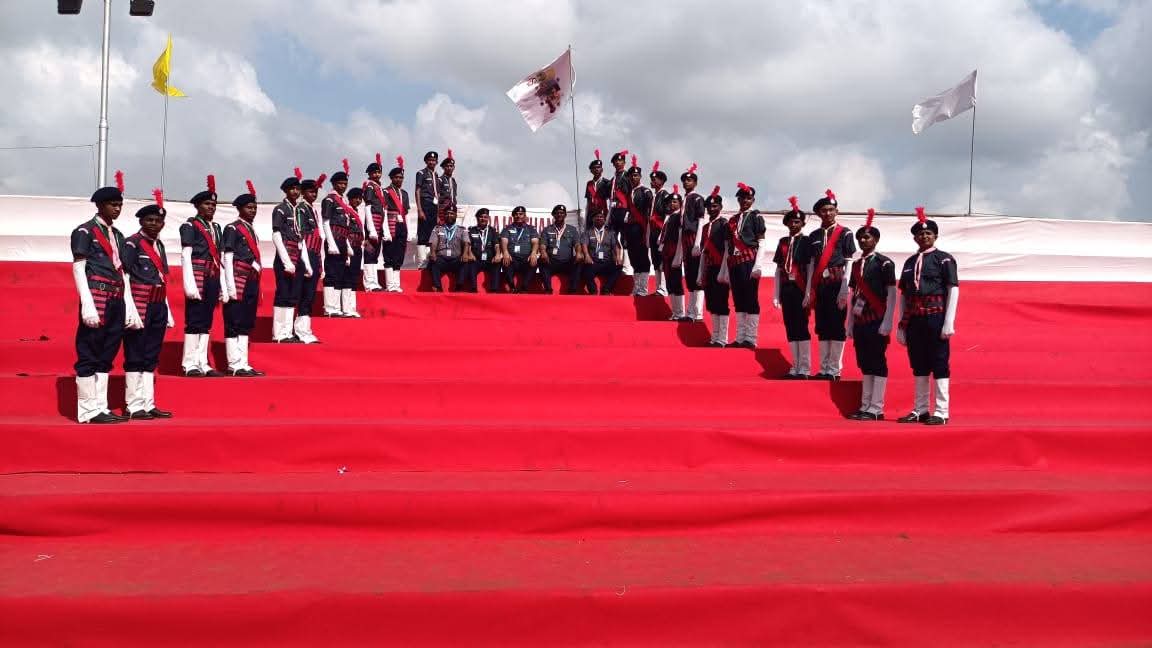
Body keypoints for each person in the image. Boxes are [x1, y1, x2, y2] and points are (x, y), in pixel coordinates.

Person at [71, 172, 134, 423]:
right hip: (96, 296)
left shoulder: (118, 235)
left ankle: (100, 406)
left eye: (119, 204)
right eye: (112, 204)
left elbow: (123, 272)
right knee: (89, 350)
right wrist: (86, 303)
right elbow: (78, 267)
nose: (117, 208)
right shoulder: (85, 231)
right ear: (100, 205)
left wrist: (129, 305)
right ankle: (87, 410)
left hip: (117, 297)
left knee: (108, 353)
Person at [897, 207, 959, 426]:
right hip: (914, 318)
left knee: (939, 363)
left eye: (928, 233)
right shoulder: (909, 263)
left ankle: (942, 411)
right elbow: (904, 294)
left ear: (935, 236)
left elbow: (953, 289)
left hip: (936, 316)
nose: (924, 236)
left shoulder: (944, 260)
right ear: (915, 237)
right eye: (920, 234)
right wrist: (901, 325)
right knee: (919, 364)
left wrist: (949, 322)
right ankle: (921, 409)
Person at [121, 189, 175, 418]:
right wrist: (129, 308)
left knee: (152, 354)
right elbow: (124, 275)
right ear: (141, 221)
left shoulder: (159, 245)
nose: (155, 224)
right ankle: (133, 405)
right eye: (150, 220)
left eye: (158, 220)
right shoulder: (132, 243)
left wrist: (168, 310)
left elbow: (161, 278)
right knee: (135, 352)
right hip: (139, 303)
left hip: (158, 304)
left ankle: (148, 403)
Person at [846, 209, 897, 420]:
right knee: (864, 362)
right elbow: (852, 294)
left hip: (877, 318)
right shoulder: (857, 265)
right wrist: (849, 322)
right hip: (860, 319)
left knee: (877, 361)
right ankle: (865, 405)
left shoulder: (885, 263)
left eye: (867, 237)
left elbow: (892, 293)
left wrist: (887, 322)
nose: (863, 241)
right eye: (860, 238)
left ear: (875, 239)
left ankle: (877, 407)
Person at [804, 189, 856, 380]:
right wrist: (809, 290)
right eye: (823, 210)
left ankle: (835, 369)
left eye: (830, 210)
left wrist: (845, 288)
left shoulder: (845, 233)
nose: (827, 213)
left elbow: (849, 260)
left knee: (836, 326)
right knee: (822, 326)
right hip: (820, 285)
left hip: (837, 282)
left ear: (836, 211)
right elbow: (811, 264)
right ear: (818, 213)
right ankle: (824, 368)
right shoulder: (814, 235)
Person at [180, 175, 225, 375]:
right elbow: (186, 255)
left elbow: (220, 258)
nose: (211, 207)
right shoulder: (190, 226)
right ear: (198, 206)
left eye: (214, 204)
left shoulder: (216, 227)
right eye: (207, 204)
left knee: (207, 320)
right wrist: (189, 284)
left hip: (212, 276)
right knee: (194, 319)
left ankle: (202, 362)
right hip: (197, 275)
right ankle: (189, 363)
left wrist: (223, 285)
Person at [220, 183, 266, 377]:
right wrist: (229, 286)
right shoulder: (233, 228)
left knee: (246, 320)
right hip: (238, 278)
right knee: (234, 320)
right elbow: (227, 257)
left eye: (254, 208)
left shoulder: (251, 229)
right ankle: (233, 363)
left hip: (251, 279)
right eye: (249, 208)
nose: (252, 211)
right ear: (239, 209)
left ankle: (243, 362)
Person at [725, 183, 769, 349]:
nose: (745, 201)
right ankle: (740, 337)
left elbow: (762, 242)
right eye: (742, 198)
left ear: (753, 200)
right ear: (738, 199)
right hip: (735, 262)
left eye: (748, 198)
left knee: (750, 298)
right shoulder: (733, 220)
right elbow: (729, 245)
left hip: (749, 261)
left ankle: (751, 338)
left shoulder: (756, 217)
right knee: (738, 299)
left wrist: (758, 265)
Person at [773, 197, 813, 379]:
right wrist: (776, 294)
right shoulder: (782, 242)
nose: (794, 224)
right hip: (786, 289)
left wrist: (808, 292)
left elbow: (811, 266)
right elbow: (779, 269)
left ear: (802, 223)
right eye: (791, 221)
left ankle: (804, 367)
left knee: (801, 326)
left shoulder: (806, 241)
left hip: (801, 287)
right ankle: (794, 366)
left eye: (797, 221)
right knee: (790, 326)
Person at [321, 161, 364, 317]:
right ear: (333, 184)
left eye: (344, 183)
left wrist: (347, 246)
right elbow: (325, 221)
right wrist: (331, 242)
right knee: (331, 273)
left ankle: (339, 307)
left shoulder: (343, 203)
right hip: (334, 239)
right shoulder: (329, 200)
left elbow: (346, 227)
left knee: (340, 274)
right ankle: (329, 307)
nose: (342, 186)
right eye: (339, 183)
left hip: (343, 240)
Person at [270, 174, 309, 343]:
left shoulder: (300, 210)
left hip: (297, 255)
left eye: (297, 188)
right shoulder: (280, 209)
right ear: (286, 191)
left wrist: (305, 263)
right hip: (284, 257)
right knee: (283, 294)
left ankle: (288, 332)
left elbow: (301, 239)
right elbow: (276, 235)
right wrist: (286, 261)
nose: (295, 191)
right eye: (292, 189)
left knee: (293, 296)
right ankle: (279, 333)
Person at [294, 173, 326, 343]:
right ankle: (298, 329)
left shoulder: (313, 210)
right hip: (304, 253)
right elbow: (301, 234)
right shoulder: (300, 209)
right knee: (302, 292)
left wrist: (319, 263)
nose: (313, 194)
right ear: (303, 193)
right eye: (310, 192)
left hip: (314, 253)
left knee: (310, 294)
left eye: (315, 192)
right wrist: (306, 261)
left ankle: (305, 328)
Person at [699, 186, 731, 346]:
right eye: (709, 207)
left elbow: (727, 249)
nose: (712, 209)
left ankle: (723, 338)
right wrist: (700, 274)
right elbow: (704, 252)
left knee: (721, 303)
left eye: (715, 206)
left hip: (721, 268)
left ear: (720, 207)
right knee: (711, 303)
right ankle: (715, 336)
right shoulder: (705, 228)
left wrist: (724, 272)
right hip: (709, 269)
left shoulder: (724, 224)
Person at [623, 159, 654, 296]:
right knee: (633, 256)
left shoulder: (646, 191)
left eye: (636, 175)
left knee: (642, 257)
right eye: (632, 176)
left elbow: (650, 211)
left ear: (640, 177)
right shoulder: (629, 193)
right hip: (630, 228)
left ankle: (643, 288)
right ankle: (637, 287)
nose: (634, 178)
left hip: (641, 227)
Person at [680, 164, 706, 321]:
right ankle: (690, 312)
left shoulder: (697, 198)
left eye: (689, 180)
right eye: (684, 180)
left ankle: (698, 313)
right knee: (689, 275)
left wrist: (698, 242)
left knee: (697, 276)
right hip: (685, 238)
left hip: (694, 236)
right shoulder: (685, 198)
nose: (686, 183)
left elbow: (701, 220)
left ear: (695, 183)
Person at [538, 204, 582, 294]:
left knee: (579, 261)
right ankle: (548, 289)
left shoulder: (572, 229)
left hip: (567, 262)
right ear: (553, 215)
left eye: (562, 213)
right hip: (551, 262)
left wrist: (578, 253)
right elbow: (542, 245)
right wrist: (543, 252)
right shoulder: (547, 229)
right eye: (557, 213)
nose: (559, 215)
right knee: (541, 261)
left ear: (565, 215)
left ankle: (572, 290)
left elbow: (577, 244)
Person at [381, 159, 410, 293]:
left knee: (399, 254)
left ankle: (396, 284)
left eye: (401, 177)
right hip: (390, 223)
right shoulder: (386, 192)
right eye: (397, 177)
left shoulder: (404, 193)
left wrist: (408, 230)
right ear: (391, 178)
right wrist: (385, 230)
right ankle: (389, 284)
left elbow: (406, 212)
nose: (399, 179)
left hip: (401, 224)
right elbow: (384, 210)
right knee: (389, 253)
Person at [659, 188, 688, 320]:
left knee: (676, 282)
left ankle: (680, 312)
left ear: (680, 203)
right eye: (670, 202)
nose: (672, 204)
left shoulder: (680, 216)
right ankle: (675, 312)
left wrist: (678, 255)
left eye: (675, 202)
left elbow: (682, 235)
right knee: (670, 282)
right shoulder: (669, 217)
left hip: (675, 251)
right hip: (666, 252)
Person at [580, 209, 622, 295]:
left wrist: (618, 257)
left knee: (618, 268)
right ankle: (593, 291)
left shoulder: (611, 233)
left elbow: (616, 246)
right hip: (593, 261)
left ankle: (606, 289)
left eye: (601, 217)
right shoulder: (587, 232)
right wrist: (587, 255)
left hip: (607, 262)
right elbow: (584, 244)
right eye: (597, 217)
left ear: (604, 219)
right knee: (585, 269)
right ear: (593, 219)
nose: (599, 218)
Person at [360, 154, 387, 292]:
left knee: (376, 253)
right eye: (374, 172)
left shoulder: (379, 188)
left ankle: (374, 282)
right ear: (369, 174)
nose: (377, 174)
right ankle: (369, 283)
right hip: (373, 222)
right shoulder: (370, 187)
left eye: (378, 172)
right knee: (369, 252)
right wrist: (370, 228)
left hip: (379, 222)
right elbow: (368, 207)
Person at [428, 204, 468, 292]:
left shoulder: (462, 229)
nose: (449, 215)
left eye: (452, 213)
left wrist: (465, 254)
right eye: (447, 213)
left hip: (455, 259)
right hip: (441, 259)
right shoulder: (437, 228)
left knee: (465, 263)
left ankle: (459, 286)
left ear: (456, 215)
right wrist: (433, 253)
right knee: (433, 262)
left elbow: (466, 242)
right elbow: (433, 242)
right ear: (444, 215)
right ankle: (437, 287)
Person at [500, 206, 540, 293]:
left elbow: (535, 242)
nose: (518, 216)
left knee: (534, 262)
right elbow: (504, 240)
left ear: (525, 216)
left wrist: (533, 253)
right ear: (513, 216)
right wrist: (505, 252)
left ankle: (524, 287)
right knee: (505, 261)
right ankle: (512, 287)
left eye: (521, 214)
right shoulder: (507, 228)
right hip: (512, 258)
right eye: (516, 214)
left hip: (526, 259)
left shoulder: (531, 229)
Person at [462, 208, 502, 292]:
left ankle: (494, 290)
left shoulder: (493, 231)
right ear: (477, 218)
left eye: (485, 217)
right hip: (476, 259)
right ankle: (473, 288)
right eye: (481, 217)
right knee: (471, 263)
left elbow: (497, 245)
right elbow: (468, 243)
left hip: (489, 260)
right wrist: (470, 253)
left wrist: (498, 254)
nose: (483, 219)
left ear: (488, 218)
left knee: (497, 264)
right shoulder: (471, 230)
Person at [413, 150, 440, 268]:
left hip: (434, 207)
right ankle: (421, 263)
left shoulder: (436, 176)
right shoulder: (421, 173)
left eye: (434, 160)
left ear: (436, 162)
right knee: (423, 235)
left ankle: (428, 262)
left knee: (431, 235)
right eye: (430, 160)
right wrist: (419, 209)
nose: (432, 162)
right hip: (425, 204)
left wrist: (438, 213)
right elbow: (417, 190)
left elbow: (438, 195)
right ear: (426, 161)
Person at [648, 161, 670, 296]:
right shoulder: (654, 196)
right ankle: (658, 287)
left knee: (662, 260)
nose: (651, 181)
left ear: (661, 181)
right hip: (653, 231)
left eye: (654, 179)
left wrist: (663, 234)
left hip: (661, 231)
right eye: (651, 179)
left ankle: (664, 287)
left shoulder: (665, 195)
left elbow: (667, 216)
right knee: (655, 260)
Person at [584, 150, 611, 230]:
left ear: (602, 169)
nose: (596, 169)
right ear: (591, 171)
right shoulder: (589, 184)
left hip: (602, 213)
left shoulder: (607, 183)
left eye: (598, 167)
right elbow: (588, 202)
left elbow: (610, 200)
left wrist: (608, 216)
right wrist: (586, 217)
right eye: (594, 168)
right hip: (591, 214)